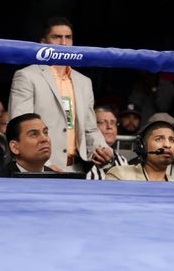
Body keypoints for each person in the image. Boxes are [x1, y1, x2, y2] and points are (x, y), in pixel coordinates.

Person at [8, 17, 111, 172]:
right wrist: (45, 167)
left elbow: (89, 129)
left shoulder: (84, 82)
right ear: (43, 43)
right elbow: (20, 127)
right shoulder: (27, 76)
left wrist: (102, 149)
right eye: (57, 37)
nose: (63, 43)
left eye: (68, 37)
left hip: (77, 168)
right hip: (39, 168)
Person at [106, 113, 174, 181]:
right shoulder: (120, 175)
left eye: (172, 140)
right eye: (159, 139)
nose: (167, 145)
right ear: (142, 146)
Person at [86, 105, 129, 180]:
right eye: (102, 122)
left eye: (113, 123)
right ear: (91, 127)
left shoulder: (122, 160)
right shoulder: (82, 155)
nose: (109, 127)